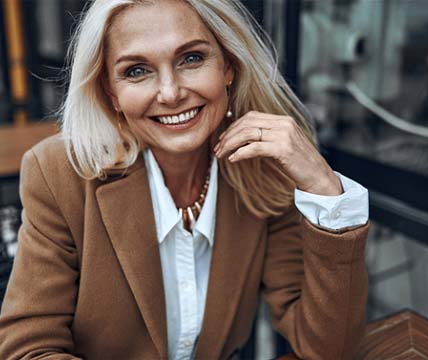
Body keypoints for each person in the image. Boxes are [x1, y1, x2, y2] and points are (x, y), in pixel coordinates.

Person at [0, 0, 370, 359]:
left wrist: (326, 193)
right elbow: (28, 349)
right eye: (136, 71)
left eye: (191, 59)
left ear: (228, 66)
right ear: (111, 92)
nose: (171, 92)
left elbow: (329, 349)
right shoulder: (59, 173)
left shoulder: (262, 170)